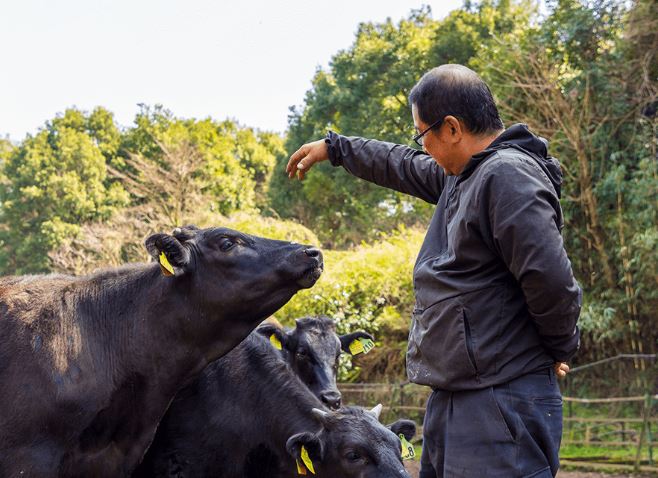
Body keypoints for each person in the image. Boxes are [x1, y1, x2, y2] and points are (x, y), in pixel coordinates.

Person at [286, 64, 581, 478]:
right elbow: (401, 164)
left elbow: (549, 278)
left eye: (423, 135)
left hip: (501, 396)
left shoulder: (508, 174)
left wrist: (559, 347)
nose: (422, 148)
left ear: (453, 128)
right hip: (459, 392)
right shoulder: (464, 177)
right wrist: (337, 149)